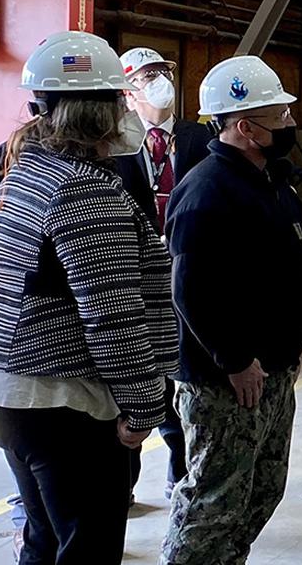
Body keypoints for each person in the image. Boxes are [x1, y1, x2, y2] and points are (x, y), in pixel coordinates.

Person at [0, 31, 177, 564]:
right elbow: (113, 315)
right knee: (87, 550)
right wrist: (145, 402)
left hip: (11, 392)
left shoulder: (30, 169)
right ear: (105, 110)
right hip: (59, 398)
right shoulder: (84, 191)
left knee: (44, 543)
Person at [160, 55, 302, 565]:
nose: (290, 124)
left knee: (259, 492)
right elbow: (192, 292)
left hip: (271, 369)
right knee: (214, 502)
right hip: (227, 379)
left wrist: (294, 345)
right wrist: (234, 360)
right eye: (280, 117)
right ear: (246, 127)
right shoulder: (206, 192)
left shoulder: (273, 184)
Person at [117, 46, 212, 500]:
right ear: (127, 92)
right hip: (134, 281)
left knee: (183, 377)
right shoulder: (115, 145)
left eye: (162, 72)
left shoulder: (200, 139)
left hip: (186, 274)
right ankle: (123, 483)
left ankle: (180, 471)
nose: (158, 81)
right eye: (146, 76)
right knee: (134, 377)